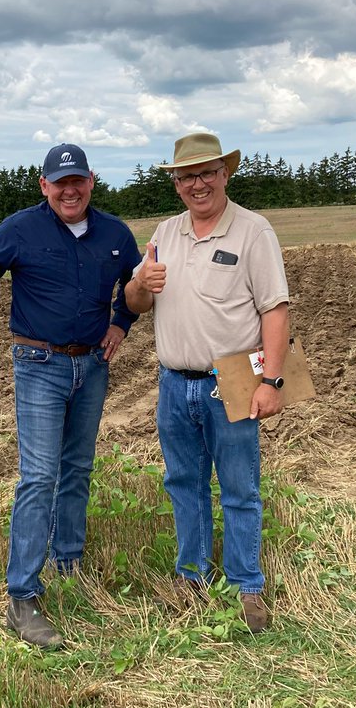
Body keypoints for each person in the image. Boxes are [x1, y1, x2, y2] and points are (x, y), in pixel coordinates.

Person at [0, 143, 142, 649]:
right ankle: (22, 595)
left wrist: (121, 324)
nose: (69, 190)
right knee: (39, 476)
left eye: (78, 180)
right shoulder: (21, 228)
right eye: (59, 182)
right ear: (44, 186)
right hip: (39, 364)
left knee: (78, 468)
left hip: (93, 364)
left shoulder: (116, 234)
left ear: (91, 182)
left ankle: (69, 562)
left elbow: (137, 284)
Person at [124, 132, 290, 633]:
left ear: (225, 174)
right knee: (184, 484)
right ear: (175, 184)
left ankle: (247, 587)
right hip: (174, 383)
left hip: (232, 381)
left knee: (240, 488)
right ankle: (191, 576)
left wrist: (272, 382)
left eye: (206, 173)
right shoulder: (165, 233)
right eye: (186, 176)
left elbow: (275, 311)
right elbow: (135, 304)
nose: (197, 184)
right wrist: (138, 286)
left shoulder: (253, 231)